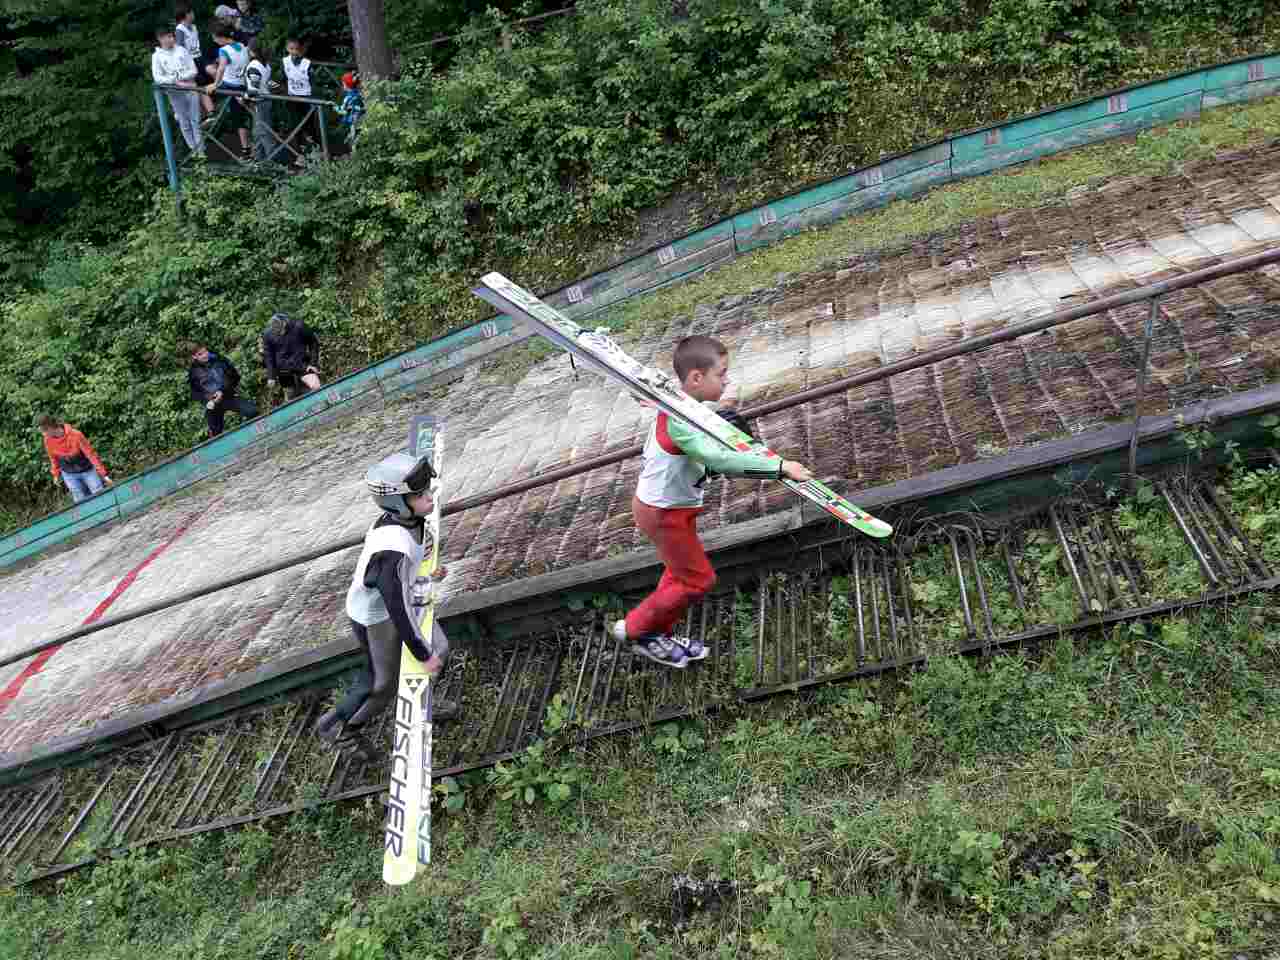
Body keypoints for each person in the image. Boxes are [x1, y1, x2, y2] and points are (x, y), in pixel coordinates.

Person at [611, 335, 814, 668]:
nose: (728, 379)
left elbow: (698, 430)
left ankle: (653, 631)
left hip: (666, 508)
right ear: (696, 378)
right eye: (722, 374)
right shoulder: (680, 424)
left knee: (679, 573)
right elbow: (719, 461)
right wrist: (780, 468)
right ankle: (638, 630)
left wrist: (720, 412)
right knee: (697, 579)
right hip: (664, 515)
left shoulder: (678, 403)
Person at [314, 452, 458, 760]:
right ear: (397, 503)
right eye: (420, 495)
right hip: (375, 617)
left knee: (441, 648)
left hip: (401, 600)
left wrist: (427, 572)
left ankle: (423, 705)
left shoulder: (412, 520)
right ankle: (339, 728)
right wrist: (422, 654)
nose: (429, 497)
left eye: (426, 490)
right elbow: (398, 610)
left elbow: (410, 567)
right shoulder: (391, 547)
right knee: (383, 684)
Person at [151, 24, 205, 156]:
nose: (171, 39)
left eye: (172, 36)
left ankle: (201, 151)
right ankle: (194, 150)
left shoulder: (182, 50)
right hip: (175, 93)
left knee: (195, 120)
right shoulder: (157, 56)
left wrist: (181, 77)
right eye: (168, 37)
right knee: (184, 121)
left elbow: (193, 70)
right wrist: (175, 81)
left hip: (191, 88)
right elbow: (157, 77)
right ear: (160, 39)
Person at [186, 343, 259, 437]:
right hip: (213, 403)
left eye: (205, 352)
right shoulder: (193, 372)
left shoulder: (220, 360)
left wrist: (222, 391)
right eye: (200, 354)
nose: (205, 355)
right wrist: (207, 400)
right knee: (215, 431)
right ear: (194, 357)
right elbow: (195, 393)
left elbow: (235, 377)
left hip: (229, 396)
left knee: (252, 411)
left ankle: (257, 434)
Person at [36, 414, 114, 503]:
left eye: (43, 431)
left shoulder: (75, 435)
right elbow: (53, 458)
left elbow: (91, 455)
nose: (43, 434)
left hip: (87, 470)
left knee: (98, 494)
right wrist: (56, 475)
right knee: (80, 500)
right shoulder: (47, 440)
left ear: (50, 427)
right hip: (69, 474)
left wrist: (103, 474)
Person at [203, 19, 251, 160]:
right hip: (242, 85)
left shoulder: (223, 50)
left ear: (219, 37)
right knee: (241, 117)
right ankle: (212, 116)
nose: (214, 40)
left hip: (230, 87)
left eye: (214, 37)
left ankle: (210, 116)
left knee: (204, 89)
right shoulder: (242, 46)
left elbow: (222, 68)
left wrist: (215, 84)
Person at [261, 312, 322, 398]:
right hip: (284, 370)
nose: (280, 333)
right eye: (276, 331)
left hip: (302, 363)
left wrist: (313, 363)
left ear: (285, 323)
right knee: (291, 397)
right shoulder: (268, 335)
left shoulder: (299, 326)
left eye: (281, 330)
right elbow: (269, 356)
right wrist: (271, 376)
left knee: (316, 387)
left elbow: (313, 343)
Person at [243, 36, 282, 164]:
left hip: (259, 103)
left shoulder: (253, 66)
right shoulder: (265, 64)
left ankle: (272, 161)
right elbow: (268, 82)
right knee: (258, 132)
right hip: (266, 101)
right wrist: (278, 88)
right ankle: (259, 159)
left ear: (251, 51)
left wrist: (243, 97)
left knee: (264, 132)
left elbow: (254, 90)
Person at [175, 5, 215, 117]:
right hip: (190, 61)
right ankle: (209, 113)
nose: (193, 14)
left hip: (199, 57)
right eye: (191, 12)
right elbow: (180, 49)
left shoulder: (194, 27)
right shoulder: (180, 30)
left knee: (213, 70)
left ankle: (226, 88)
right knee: (199, 86)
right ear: (186, 15)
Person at [281, 34, 315, 167]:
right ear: (287, 48)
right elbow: (283, 79)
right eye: (291, 48)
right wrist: (283, 93)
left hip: (306, 98)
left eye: (296, 49)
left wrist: (313, 99)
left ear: (300, 49)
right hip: (292, 98)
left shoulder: (307, 64)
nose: (294, 52)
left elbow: (313, 83)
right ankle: (300, 156)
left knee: (310, 127)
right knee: (295, 128)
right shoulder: (285, 61)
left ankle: (316, 153)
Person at [335, 71, 364, 146]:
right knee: (361, 134)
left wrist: (335, 107)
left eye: (343, 84)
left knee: (353, 137)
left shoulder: (348, 98)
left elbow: (343, 111)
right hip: (361, 118)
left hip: (353, 120)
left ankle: (355, 153)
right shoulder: (359, 94)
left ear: (346, 86)